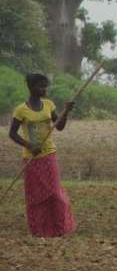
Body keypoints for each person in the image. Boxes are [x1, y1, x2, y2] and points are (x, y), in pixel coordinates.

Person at [8, 73, 76, 238]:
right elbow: (12, 134)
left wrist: (66, 112)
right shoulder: (20, 110)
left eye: (46, 86)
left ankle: (59, 228)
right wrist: (29, 145)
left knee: (54, 193)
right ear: (31, 88)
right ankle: (39, 230)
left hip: (48, 154)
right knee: (35, 195)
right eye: (41, 86)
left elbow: (59, 126)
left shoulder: (49, 105)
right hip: (31, 158)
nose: (44, 89)